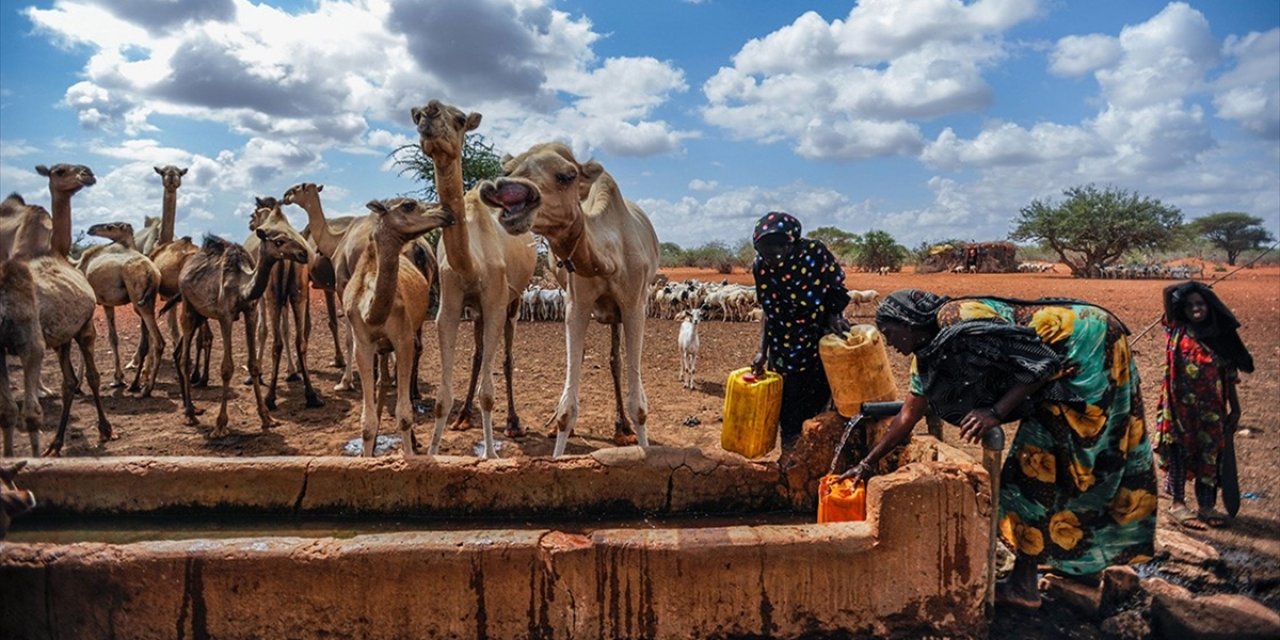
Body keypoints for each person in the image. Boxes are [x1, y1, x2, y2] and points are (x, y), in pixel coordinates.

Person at [841, 289, 1156, 609]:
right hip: (1071, 354)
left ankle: (1025, 585)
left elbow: (1041, 362)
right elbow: (908, 416)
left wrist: (995, 412)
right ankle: (1078, 566)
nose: (889, 343)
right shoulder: (928, 356)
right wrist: (867, 463)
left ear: (908, 323)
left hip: (1088, 346)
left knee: (1038, 468)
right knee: (1059, 465)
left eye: (889, 332)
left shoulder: (957, 318)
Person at [1154, 281, 1254, 530]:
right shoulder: (1177, 329)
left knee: (1209, 454)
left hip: (1211, 409)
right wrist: (1191, 285)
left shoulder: (1220, 338)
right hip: (1178, 407)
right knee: (1178, 452)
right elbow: (1168, 293)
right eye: (1189, 305)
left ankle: (1206, 506)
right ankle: (1177, 504)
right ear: (1182, 309)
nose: (1195, 308)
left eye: (1200, 303)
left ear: (1209, 307)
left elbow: (1229, 376)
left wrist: (1236, 409)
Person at [749, 212, 851, 449]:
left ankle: (822, 455)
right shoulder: (761, 266)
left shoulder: (814, 253)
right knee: (788, 409)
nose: (770, 258)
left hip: (818, 338)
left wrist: (834, 315)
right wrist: (762, 350)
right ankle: (790, 455)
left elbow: (836, 287)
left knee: (822, 406)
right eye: (763, 253)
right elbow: (768, 310)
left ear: (790, 244)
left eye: (775, 252)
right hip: (783, 347)